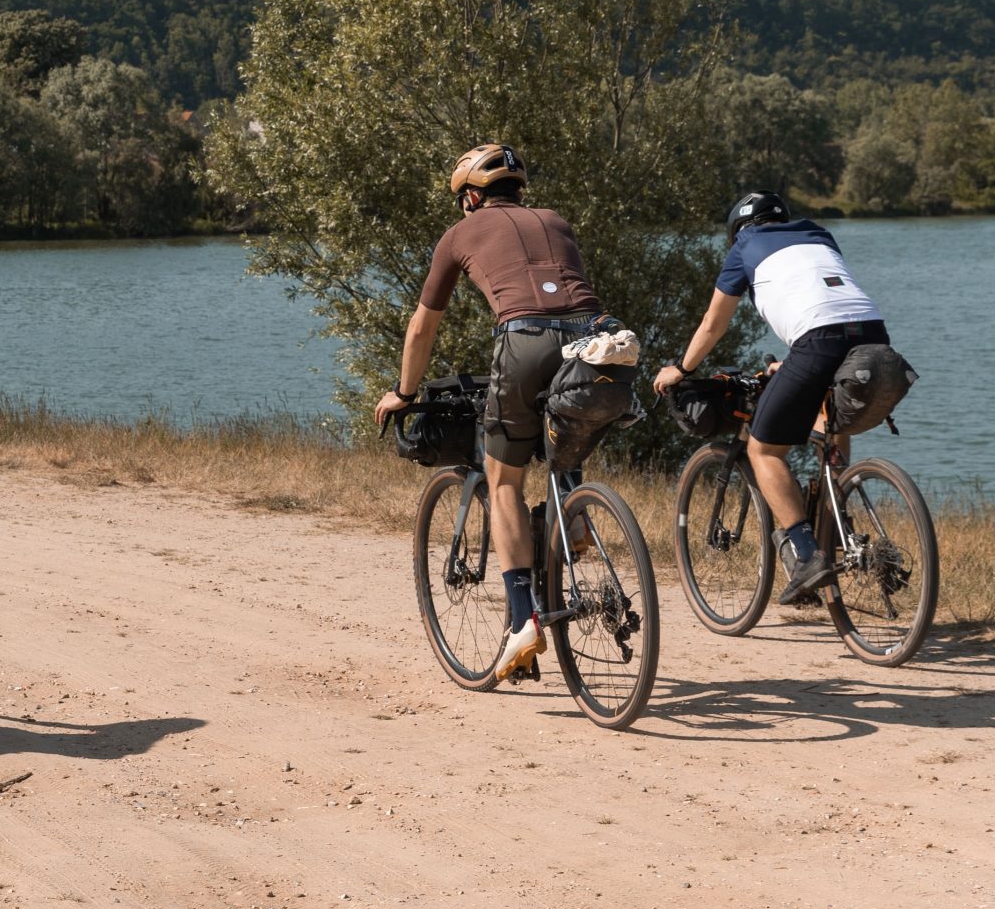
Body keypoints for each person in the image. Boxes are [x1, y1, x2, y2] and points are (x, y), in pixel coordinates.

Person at [375, 144, 610, 682]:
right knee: (563, 443)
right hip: (598, 342)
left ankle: (523, 619)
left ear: (471, 197)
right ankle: (568, 516)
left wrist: (405, 393)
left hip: (524, 336)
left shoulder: (460, 235)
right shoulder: (556, 221)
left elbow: (422, 327)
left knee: (504, 482)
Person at [654, 190, 890, 604]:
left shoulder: (744, 245)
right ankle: (836, 519)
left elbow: (713, 323)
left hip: (817, 342)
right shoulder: (818, 234)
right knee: (828, 423)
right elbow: (823, 298)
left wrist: (682, 368)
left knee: (764, 451)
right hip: (873, 335)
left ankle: (807, 555)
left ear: (739, 231)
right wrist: (794, 364)